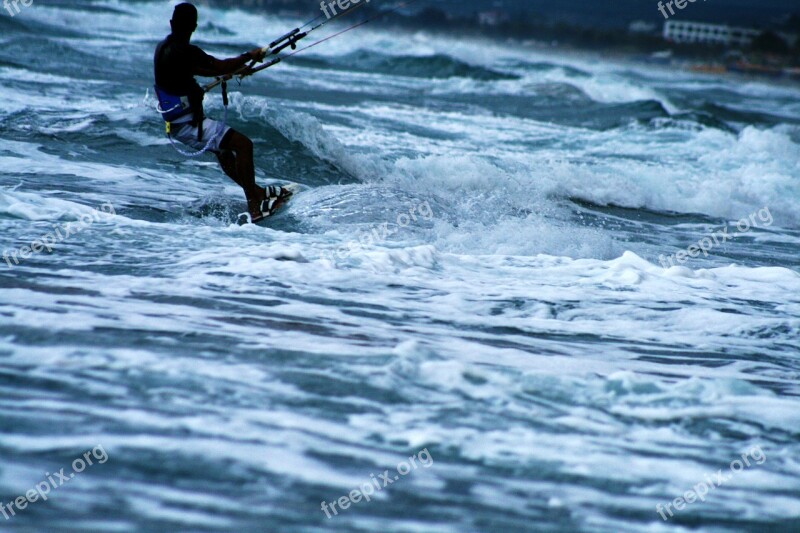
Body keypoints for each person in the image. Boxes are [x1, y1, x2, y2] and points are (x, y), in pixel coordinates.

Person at [154, 2, 287, 222]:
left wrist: (237, 70)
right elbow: (220, 67)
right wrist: (249, 56)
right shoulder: (185, 51)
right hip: (188, 125)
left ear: (172, 24)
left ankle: (257, 193)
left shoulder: (165, 48)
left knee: (224, 153)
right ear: (194, 27)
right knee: (244, 145)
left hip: (179, 123)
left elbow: (200, 69)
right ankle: (255, 205)